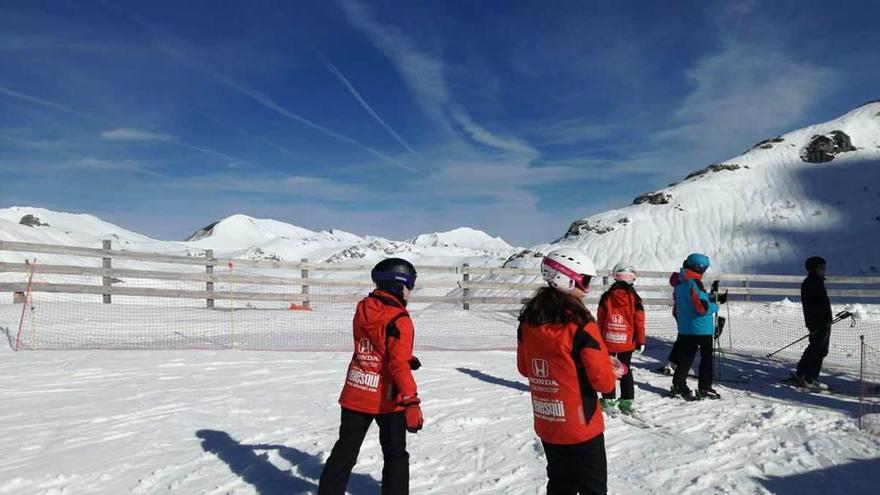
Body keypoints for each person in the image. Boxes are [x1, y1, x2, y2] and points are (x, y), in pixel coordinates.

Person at [517, 248, 618, 495]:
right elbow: (603, 382)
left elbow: (524, 367)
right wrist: (610, 371)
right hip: (581, 425)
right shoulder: (582, 323)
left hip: (548, 422)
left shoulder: (529, 320)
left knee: (560, 484)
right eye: (585, 280)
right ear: (566, 279)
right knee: (592, 488)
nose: (589, 288)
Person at [318, 258, 423, 495]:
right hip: (388, 399)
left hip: (357, 390)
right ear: (397, 286)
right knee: (395, 454)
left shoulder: (364, 307)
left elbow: (377, 345)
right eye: (409, 286)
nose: (410, 293)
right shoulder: (400, 319)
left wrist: (405, 356)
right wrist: (412, 402)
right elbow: (397, 366)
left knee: (345, 450)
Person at [669, 253, 727, 400]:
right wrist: (716, 305)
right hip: (701, 329)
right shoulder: (694, 283)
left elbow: (695, 299)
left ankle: (678, 385)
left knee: (685, 359)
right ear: (699, 268)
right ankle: (705, 387)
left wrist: (712, 298)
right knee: (706, 359)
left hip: (686, 329)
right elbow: (702, 308)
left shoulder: (681, 283)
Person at [597, 263, 645, 415]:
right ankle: (626, 400)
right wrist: (641, 341)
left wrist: (598, 339)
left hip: (608, 340)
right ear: (631, 278)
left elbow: (600, 320)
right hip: (627, 341)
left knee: (608, 369)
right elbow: (639, 322)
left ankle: (608, 399)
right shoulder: (635, 299)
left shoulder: (606, 297)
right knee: (625, 370)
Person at [793, 256, 833, 389]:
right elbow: (815, 306)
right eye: (820, 268)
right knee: (819, 350)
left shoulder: (815, 282)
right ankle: (810, 378)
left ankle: (801, 373)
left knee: (814, 347)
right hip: (818, 322)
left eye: (824, 267)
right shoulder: (813, 283)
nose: (823, 270)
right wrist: (823, 321)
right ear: (813, 268)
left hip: (819, 322)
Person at [657, 271, 682, 376]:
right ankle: (675, 363)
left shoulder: (679, 284)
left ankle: (673, 362)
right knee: (684, 340)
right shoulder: (684, 285)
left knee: (682, 339)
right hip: (683, 315)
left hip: (679, 313)